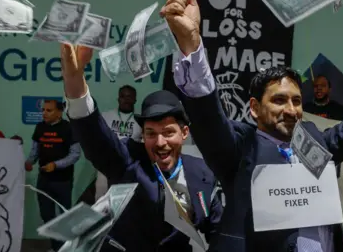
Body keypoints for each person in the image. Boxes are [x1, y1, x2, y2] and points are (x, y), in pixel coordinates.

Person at [160, 0, 343, 251]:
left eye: (297, 101)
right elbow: (207, 117)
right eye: (278, 100)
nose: (290, 110)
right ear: (254, 108)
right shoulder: (240, 146)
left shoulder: (314, 139)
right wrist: (191, 44)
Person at [59, 43, 222, 251]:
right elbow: (94, 136)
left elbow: (220, 230)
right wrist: (74, 81)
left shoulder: (203, 173)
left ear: (184, 133)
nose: (160, 142)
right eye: (151, 133)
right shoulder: (129, 161)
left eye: (168, 132)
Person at [25, 99, 80, 252]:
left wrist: (56, 165)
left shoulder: (68, 128)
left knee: (64, 217)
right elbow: (34, 152)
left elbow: (75, 154)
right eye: (43, 110)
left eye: (48, 110)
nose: (44, 113)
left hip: (62, 181)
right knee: (47, 216)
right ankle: (56, 247)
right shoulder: (40, 127)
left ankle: (66, 248)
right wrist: (28, 162)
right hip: (43, 180)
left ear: (59, 112)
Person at [95, 85, 142, 201]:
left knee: (125, 201)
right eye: (122, 96)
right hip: (106, 165)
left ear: (135, 99)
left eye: (129, 96)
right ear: (118, 99)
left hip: (129, 168)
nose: (125, 99)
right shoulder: (106, 116)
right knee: (100, 199)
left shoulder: (141, 120)